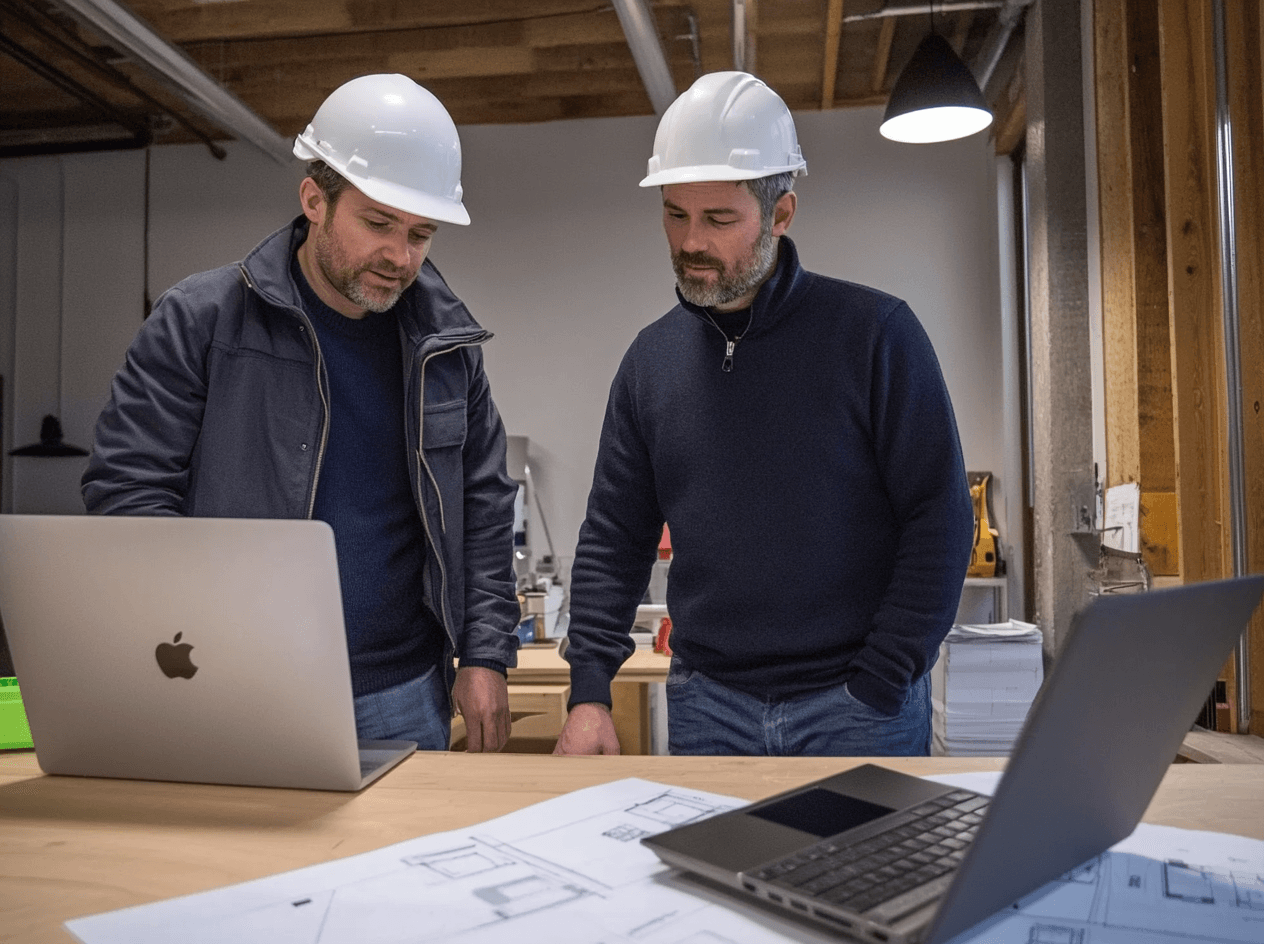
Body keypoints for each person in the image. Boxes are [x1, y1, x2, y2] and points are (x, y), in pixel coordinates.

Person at [81, 74, 520, 753]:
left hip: (404, 693)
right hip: (238, 684)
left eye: (421, 234)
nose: (399, 256)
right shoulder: (199, 320)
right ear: (315, 200)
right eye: (378, 224)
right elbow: (127, 493)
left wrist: (486, 654)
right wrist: (200, 638)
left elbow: (483, 507)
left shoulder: (447, 348)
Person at [555, 72, 973, 757]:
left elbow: (940, 517)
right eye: (675, 214)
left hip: (855, 707)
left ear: (781, 214)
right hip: (709, 706)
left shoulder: (875, 335)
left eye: (719, 220)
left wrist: (885, 675)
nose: (691, 241)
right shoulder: (650, 363)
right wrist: (590, 692)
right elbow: (614, 536)